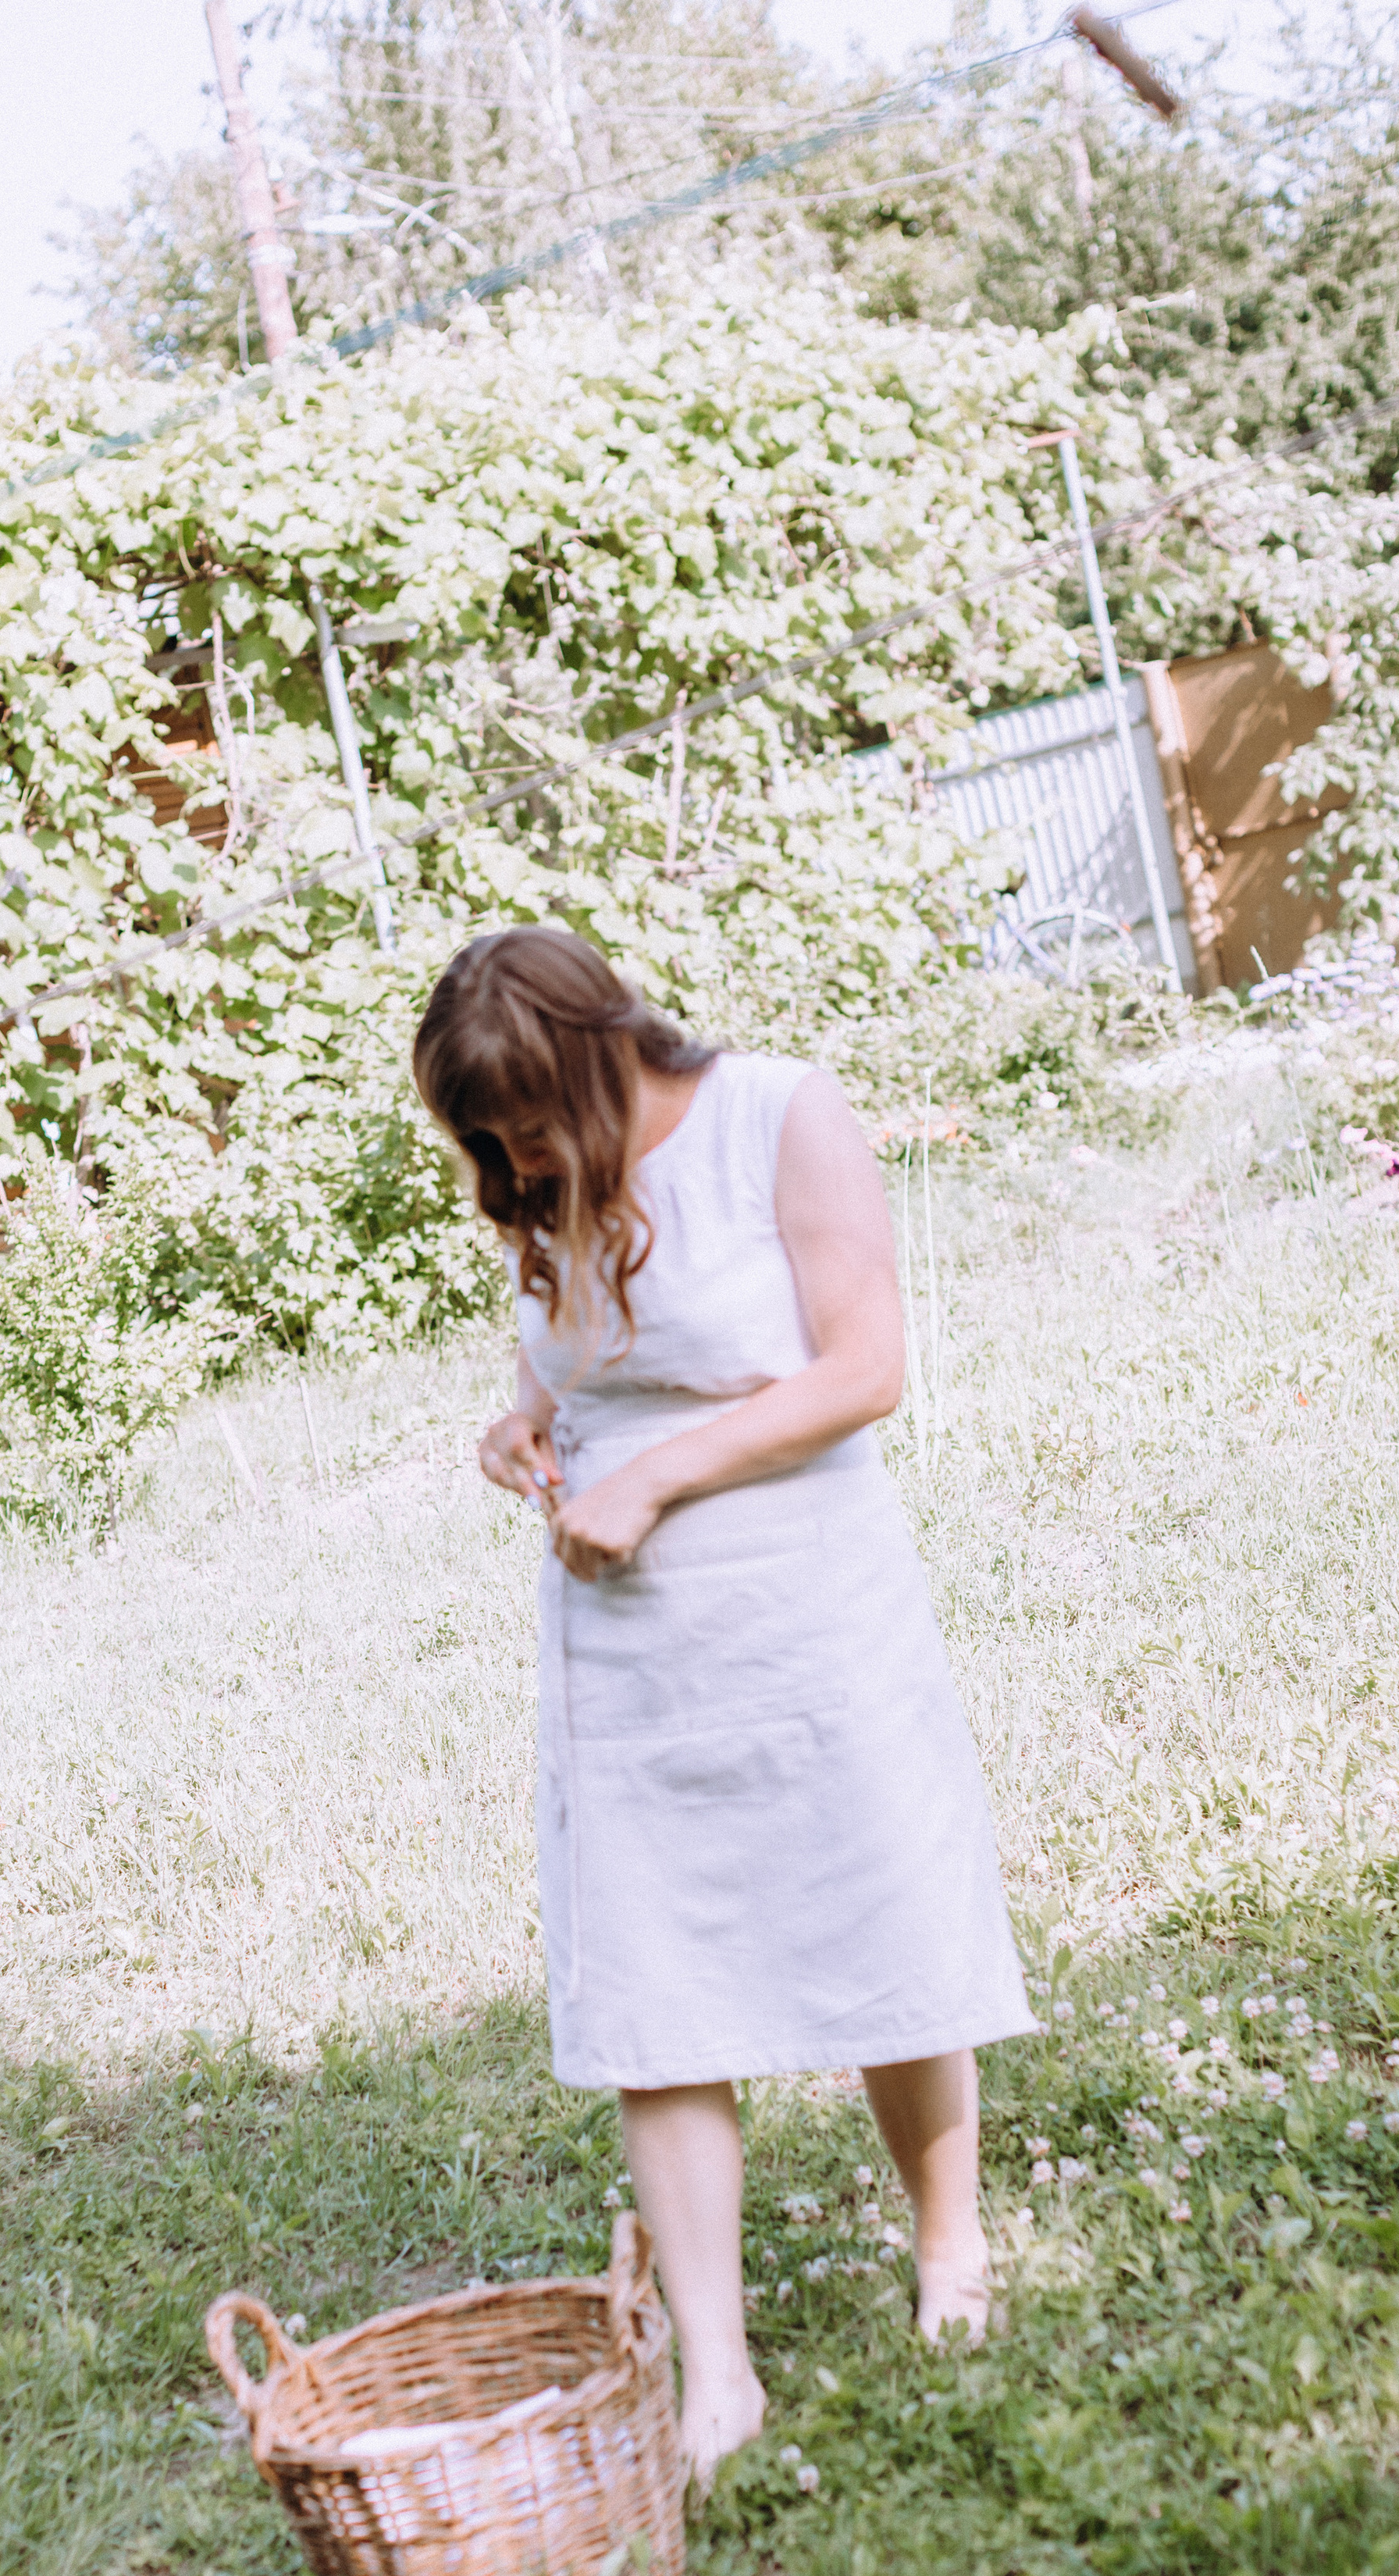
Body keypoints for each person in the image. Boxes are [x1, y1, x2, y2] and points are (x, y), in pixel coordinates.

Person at [412, 928, 1036, 2489]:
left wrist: (660, 1476)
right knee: (654, 1975)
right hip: (625, 1633)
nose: (518, 1158)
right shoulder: (541, 1176)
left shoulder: (776, 1113)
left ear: (601, 1045)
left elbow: (862, 1369)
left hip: (800, 1590)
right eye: (487, 1143)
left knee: (874, 1907)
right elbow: (578, 1371)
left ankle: (948, 2243)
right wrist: (526, 1428)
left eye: (530, 1122)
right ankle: (718, 2371)